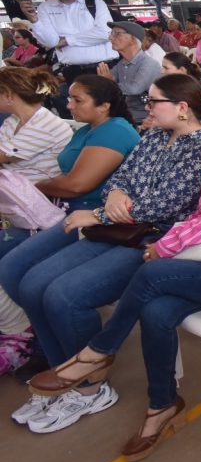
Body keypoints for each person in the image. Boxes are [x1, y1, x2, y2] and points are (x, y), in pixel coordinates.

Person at [25, 95, 201, 456]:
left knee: (151, 272)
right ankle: (162, 404)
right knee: (155, 311)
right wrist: (172, 241)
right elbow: (200, 216)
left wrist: (165, 246)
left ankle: (99, 350)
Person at [7, 75, 201, 431]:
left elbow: (166, 203)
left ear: (182, 108)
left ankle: (90, 387)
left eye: (154, 102)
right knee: (31, 285)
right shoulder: (155, 136)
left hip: (153, 239)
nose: (147, 108)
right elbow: (122, 176)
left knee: (65, 296)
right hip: (119, 227)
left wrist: (100, 214)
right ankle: (63, 374)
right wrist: (115, 195)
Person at [0, 75, 139, 364]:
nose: (69, 105)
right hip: (68, 210)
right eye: (70, 98)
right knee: (13, 270)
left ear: (103, 106)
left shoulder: (114, 131)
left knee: (45, 287)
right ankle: (49, 346)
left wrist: (33, 188)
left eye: (77, 100)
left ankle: (77, 366)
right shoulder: (89, 129)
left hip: (96, 217)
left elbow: (77, 185)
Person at [24, 0, 120, 116]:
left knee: (111, 111)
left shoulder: (94, 3)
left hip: (104, 67)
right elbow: (50, 42)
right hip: (73, 70)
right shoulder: (46, 8)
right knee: (82, 114)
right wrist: (34, 20)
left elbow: (104, 33)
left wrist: (66, 40)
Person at [0, 68, 73, 183]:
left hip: (33, 190)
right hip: (14, 183)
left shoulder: (44, 126)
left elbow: (2, 156)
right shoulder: (13, 120)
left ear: (8, 95)